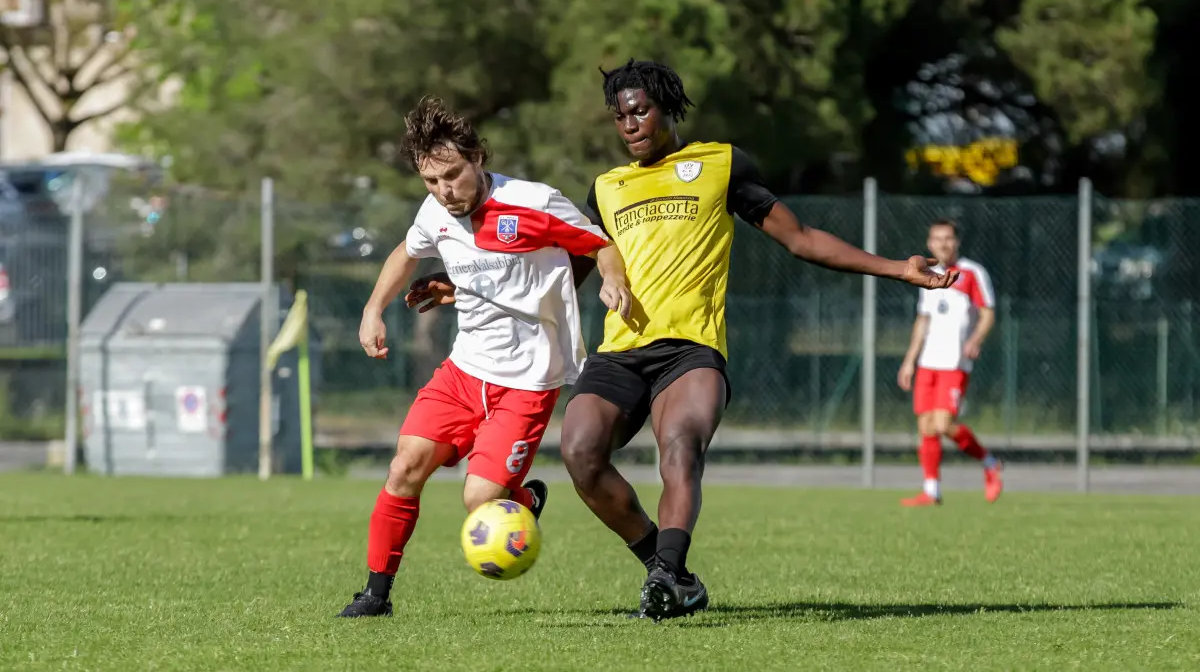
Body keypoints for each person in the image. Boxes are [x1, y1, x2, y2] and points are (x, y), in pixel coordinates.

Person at [558, 59, 961, 621]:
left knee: (679, 449)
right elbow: (565, 274)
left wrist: (898, 268)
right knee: (579, 451)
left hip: (690, 351)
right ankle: (668, 570)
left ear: (668, 107)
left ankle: (668, 576)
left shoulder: (720, 164)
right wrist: (471, 288)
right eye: (619, 116)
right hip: (621, 352)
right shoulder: (606, 189)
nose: (629, 124)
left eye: (640, 110)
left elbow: (801, 239)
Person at [337, 96, 628, 618]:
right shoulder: (435, 213)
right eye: (431, 181)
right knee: (405, 467)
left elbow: (599, 243)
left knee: (480, 501)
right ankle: (375, 595)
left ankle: (523, 502)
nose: (444, 191)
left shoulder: (535, 203)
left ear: (477, 158)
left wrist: (612, 280)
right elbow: (407, 252)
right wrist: (372, 310)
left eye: (452, 174)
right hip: (463, 371)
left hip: (527, 380)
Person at [897, 219, 1002, 507]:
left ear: (956, 242)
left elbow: (988, 314)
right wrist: (909, 361)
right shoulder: (926, 274)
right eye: (937, 239)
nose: (943, 244)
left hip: (954, 363)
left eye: (948, 238)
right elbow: (923, 320)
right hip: (927, 363)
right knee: (926, 427)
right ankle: (932, 490)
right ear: (929, 244)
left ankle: (990, 462)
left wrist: (976, 339)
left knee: (943, 424)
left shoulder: (971, 273)